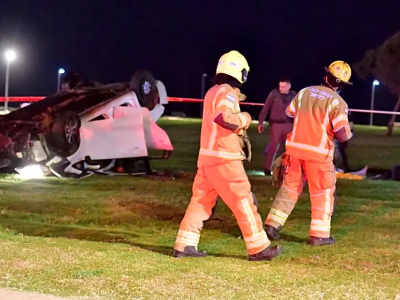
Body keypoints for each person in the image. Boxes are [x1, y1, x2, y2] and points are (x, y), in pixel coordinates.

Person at [173, 50, 282, 261]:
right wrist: (245, 118)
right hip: (225, 158)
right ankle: (258, 247)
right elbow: (223, 117)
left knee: (201, 201)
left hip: (207, 157)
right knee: (243, 200)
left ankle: (185, 244)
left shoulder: (213, 91)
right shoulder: (227, 92)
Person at [264, 60, 354, 246]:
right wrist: (348, 132)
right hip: (319, 155)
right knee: (323, 192)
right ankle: (320, 235)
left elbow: (290, 113)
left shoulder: (304, 92)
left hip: (295, 151)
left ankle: (272, 225)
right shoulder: (338, 102)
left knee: (289, 189)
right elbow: (342, 135)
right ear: (341, 85)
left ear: (325, 76)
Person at [258, 79, 296, 176]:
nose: (281, 89)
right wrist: (260, 122)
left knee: (289, 149)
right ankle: (267, 169)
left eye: (283, 87)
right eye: (280, 86)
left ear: (289, 87)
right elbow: (266, 107)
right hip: (276, 125)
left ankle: (287, 169)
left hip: (289, 125)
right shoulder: (274, 94)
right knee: (273, 147)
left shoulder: (293, 95)